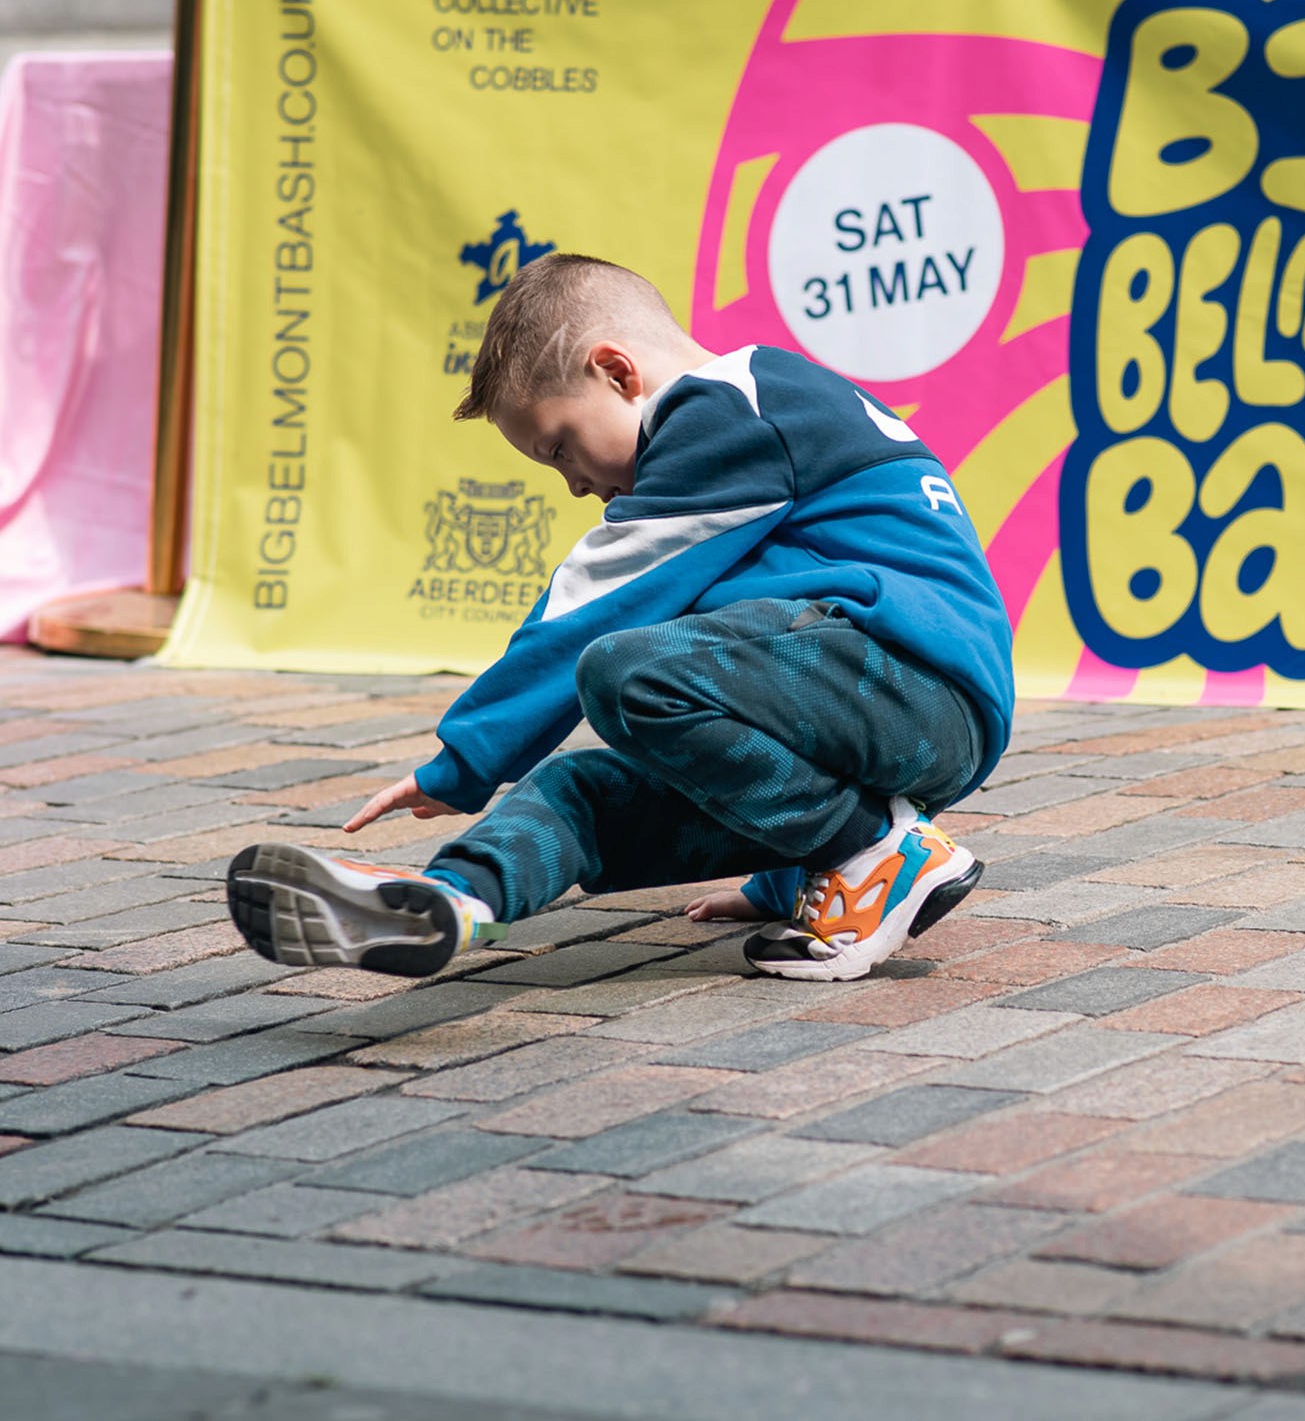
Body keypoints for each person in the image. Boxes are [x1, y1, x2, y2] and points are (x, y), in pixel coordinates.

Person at [225, 253, 1013, 983]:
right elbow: (775, 662)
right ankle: (457, 900)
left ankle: (872, 852)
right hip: (873, 709)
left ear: (616, 371)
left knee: (624, 669)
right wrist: (784, 877)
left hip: (922, 690)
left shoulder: (733, 409)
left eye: (560, 446)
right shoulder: (747, 425)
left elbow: (591, 600)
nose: (572, 484)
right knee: (580, 786)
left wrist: (464, 761)